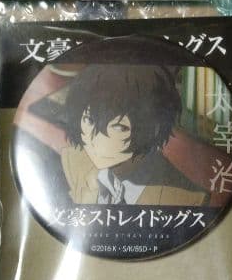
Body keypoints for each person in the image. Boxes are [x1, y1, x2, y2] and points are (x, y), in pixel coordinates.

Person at [57, 64, 208, 206]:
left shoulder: (186, 199)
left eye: (118, 127)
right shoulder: (74, 161)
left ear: (153, 128)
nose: (96, 140)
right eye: (89, 120)